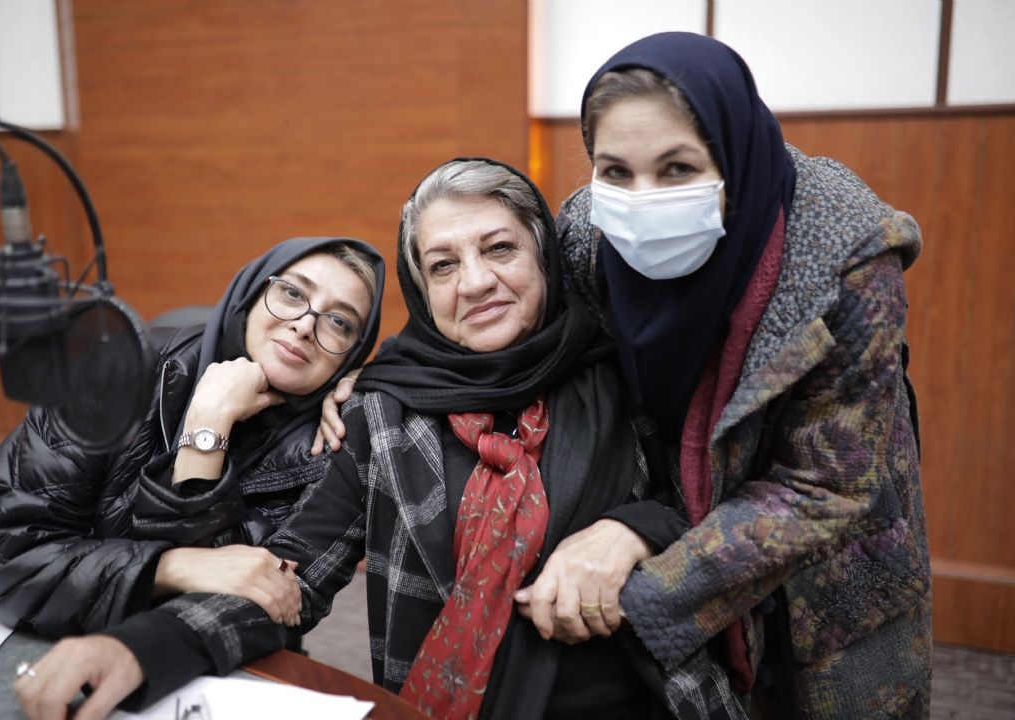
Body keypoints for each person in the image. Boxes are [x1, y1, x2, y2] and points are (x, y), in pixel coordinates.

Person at [268, 158, 743, 720]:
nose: (474, 283)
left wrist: (634, 531)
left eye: (499, 249)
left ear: (544, 257)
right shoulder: (382, 412)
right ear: (422, 291)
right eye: (443, 265)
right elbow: (292, 576)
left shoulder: (628, 377)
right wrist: (177, 611)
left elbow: (730, 520)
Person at [553, 32, 931, 718]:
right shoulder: (587, 236)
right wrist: (368, 388)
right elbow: (525, 347)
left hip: (827, 588)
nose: (641, 200)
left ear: (733, 158)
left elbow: (827, 486)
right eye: (615, 171)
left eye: (677, 169)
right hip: (674, 527)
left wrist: (644, 582)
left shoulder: (848, 258)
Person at [0, 237, 384, 717]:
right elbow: (8, 554)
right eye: (292, 293)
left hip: (187, 672)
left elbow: (266, 605)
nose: (306, 324)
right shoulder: (115, 368)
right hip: (15, 624)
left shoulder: (331, 446)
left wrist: (206, 444)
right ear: (252, 292)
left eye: (339, 322)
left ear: (351, 355)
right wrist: (172, 564)